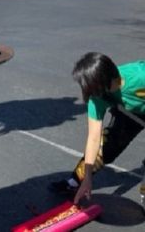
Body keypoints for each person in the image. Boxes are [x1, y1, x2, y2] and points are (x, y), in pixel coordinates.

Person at [48, 52, 145, 210]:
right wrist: (87, 179)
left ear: (103, 81)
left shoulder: (140, 76)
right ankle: (74, 182)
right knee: (107, 147)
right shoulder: (97, 97)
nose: (86, 91)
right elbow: (94, 138)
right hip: (130, 112)